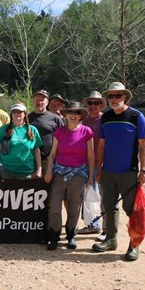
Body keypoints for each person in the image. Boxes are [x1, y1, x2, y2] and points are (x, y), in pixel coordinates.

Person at [93, 82, 145, 261]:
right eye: (111, 96)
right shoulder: (106, 117)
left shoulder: (136, 117)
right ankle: (110, 239)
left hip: (129, 172)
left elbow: (144, 146)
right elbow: (101, 146)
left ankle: (134, 244)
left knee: (131, 208)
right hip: (108, 171)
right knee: (109, 207)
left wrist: (143, 171)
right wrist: (99, 169)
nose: (114, 99)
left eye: (118, 95)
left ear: (125, 97)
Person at [44, 101, 95, 251]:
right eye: (70, 112)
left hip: (79, 173)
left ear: (80, 116)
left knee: (74, 205)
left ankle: (71, 235)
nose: (73, 115)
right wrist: (48, 170)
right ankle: (54, 236)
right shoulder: (59, 132)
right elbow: (52, 154)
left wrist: (90, 176)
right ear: (65, 115)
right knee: (54, 205)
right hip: (60, 172)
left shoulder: (87, 132)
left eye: (76, 113)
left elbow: (91, 157)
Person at [77, 90, 107, 236]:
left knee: (104, 196)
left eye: (96, 103)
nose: (93, 106)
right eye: (90, 103)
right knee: (88, 194)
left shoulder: (106, 119)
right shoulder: (84, 121)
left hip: (103, 163)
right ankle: (92, 224)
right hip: (86, 163)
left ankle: (106, 228)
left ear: (101, 105)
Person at [0, 103, 43, 179]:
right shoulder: (3, 129)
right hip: (6, 171)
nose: (17, 114)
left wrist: (39, 169)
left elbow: (37, 151)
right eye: (14, 112)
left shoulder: (33, 130)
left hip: (26, 172)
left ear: (25, 114)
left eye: (19, 112)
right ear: (11, 114)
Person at [28, 89, 64, 174]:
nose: (39, 102)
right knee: (30, 185)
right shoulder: (26, 118)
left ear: (47, 102)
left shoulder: (55, 118)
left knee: (48, 184)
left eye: (42, 100)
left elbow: (63, 138)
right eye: (37, 100)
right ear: (33, 102)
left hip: (49, 159)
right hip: (29, 158)